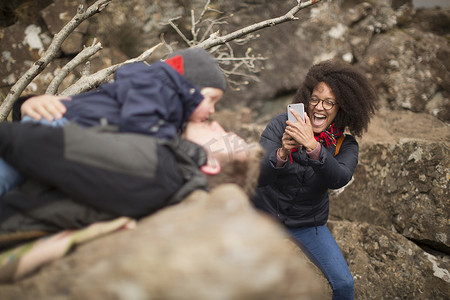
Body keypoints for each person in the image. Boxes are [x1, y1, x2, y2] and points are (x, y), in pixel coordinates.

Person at [0, 119, 262, 250]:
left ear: (211, 165)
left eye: (225, 135)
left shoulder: (157, 166)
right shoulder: (171, 189)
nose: (216, 123)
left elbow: (31, 144)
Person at [0, 47, 227, 196]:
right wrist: (192, 151)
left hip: (64, 140)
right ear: (187, 88)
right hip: (60, 127)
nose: (213, 111)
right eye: (211, 99)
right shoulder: (154, 92)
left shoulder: (164, 114)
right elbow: (141, 127)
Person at [251, 59, 377, 300]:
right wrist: (282, 153)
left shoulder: (347, 145)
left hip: (308, 224)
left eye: (330, 102)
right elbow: (258, 175)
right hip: (262, 215)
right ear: (306, 98)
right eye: (316, 99)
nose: (320, 107)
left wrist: (313, 147)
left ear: (343, 107)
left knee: (344, 285)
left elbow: (339, 178)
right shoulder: (281, 125)